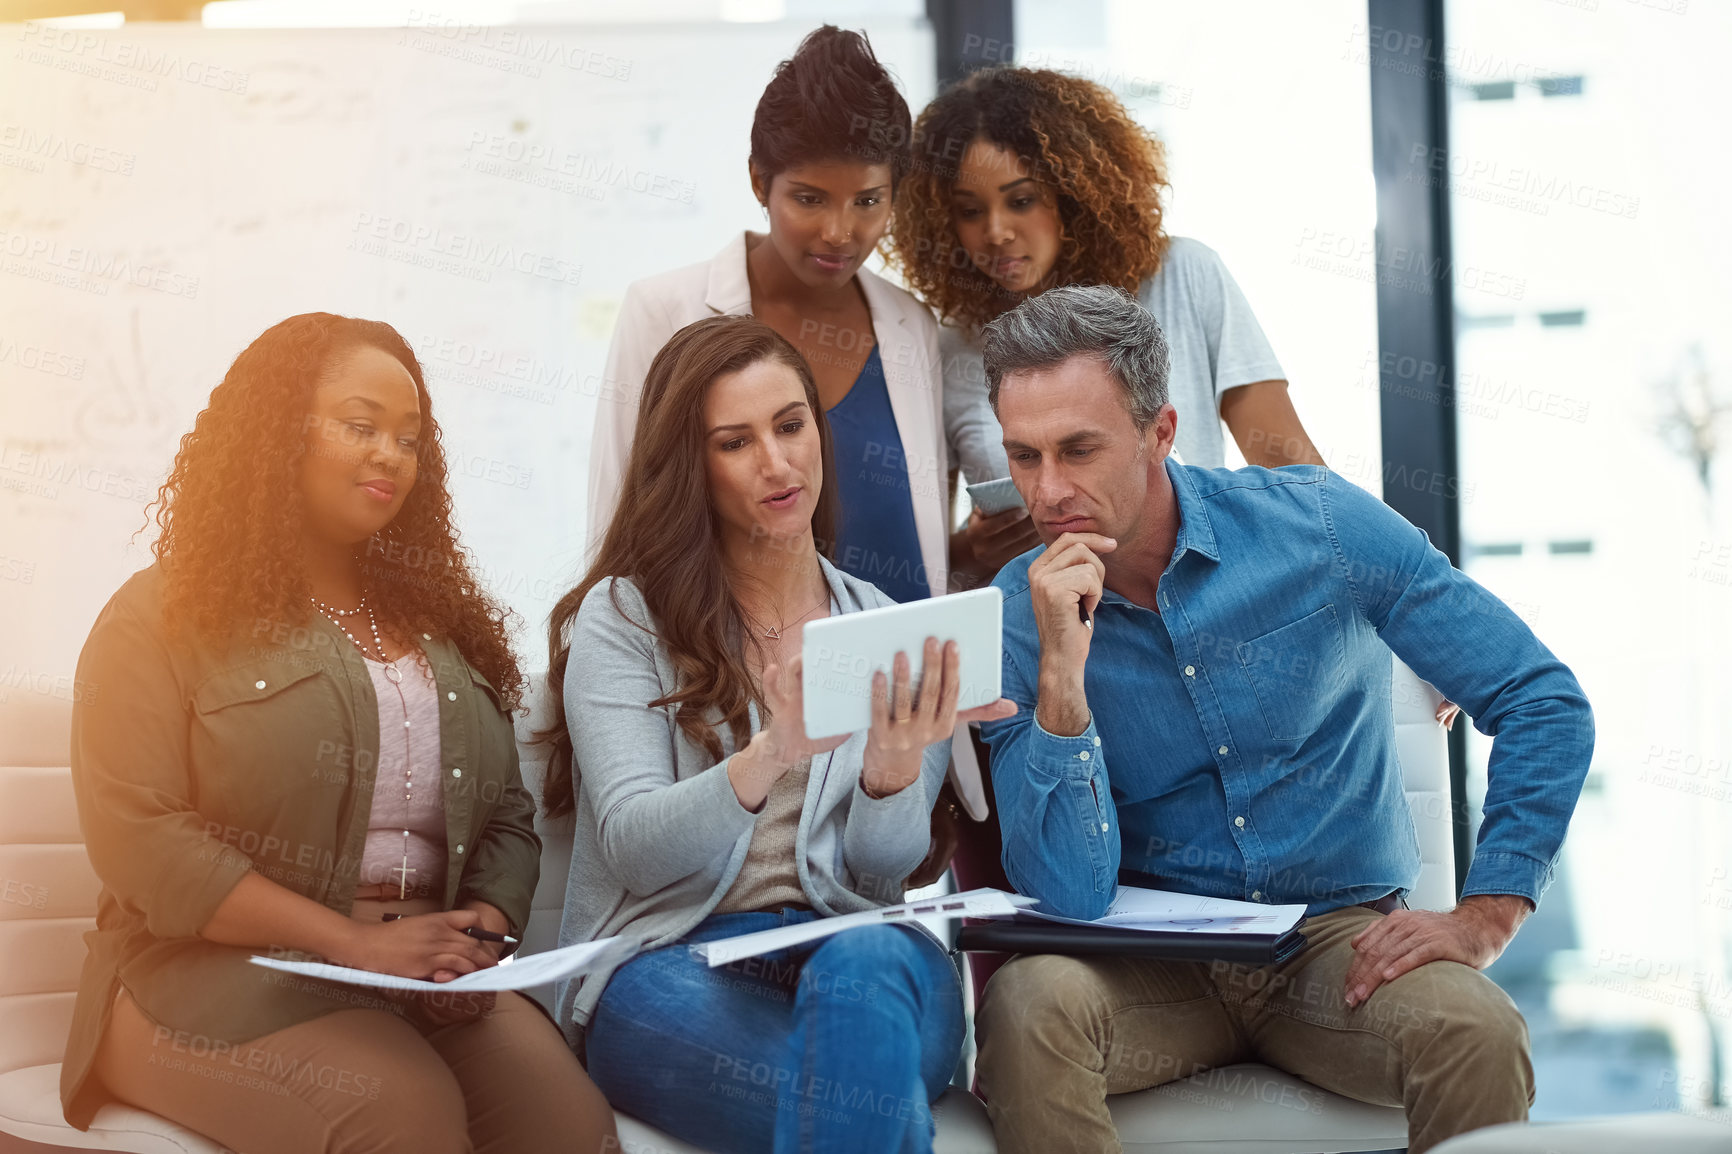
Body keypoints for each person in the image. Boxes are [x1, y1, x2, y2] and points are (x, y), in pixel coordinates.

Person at [969, 285, 1594, 1154]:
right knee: (1030, 1002)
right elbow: (1069, 893)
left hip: (1335, 949)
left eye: (1079, 449)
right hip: (1151, 970)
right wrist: (1061, 680)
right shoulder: (1012, 612)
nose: (1050, 490)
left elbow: (1541, 698)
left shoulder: (1322, 528)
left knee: (1474, 1027)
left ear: (1160, 432)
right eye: (1024, 457)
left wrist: (1486, 913)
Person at [63, 314, 616, 1154]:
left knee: (568, 1127)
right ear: (278, 432)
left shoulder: (444, 626)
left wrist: (480, 930)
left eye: (409, 438)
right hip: (214, 978)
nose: (391, 455)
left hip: (424, 977)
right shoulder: (161, 615)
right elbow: (142, 841)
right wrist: (353, 943)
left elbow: (506, 812)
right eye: (361, 427)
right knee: (401, 1116)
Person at [544, 315, 1013, 1153]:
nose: (776, 462)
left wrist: (892, 771)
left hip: (858, 952)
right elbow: (635, 849)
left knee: (865, 965)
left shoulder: (886, 624)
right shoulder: (624, 620)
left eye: (791, 425)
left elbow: (882, 870)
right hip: (670, 961)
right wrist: (773, 753)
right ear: (691, 464)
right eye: (735, 442)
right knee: (856, 1100)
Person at [589, 23, 994, 833]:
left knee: (887, 948)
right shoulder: (665, 311)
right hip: (728, 727)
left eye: (868, 201)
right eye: (809, 198)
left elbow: (912, 535)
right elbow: (620, 523)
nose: (840, 232)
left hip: (900, 729)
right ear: (758, 181)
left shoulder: (913, 328)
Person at [889, 67, 1327, 570]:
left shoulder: (1185, 275)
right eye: (969, 211)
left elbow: (1297, 480)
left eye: (1022, 200)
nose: (996, 232)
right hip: (1047, 630)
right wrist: (973, 549)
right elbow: (930, 559)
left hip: (1197, 609)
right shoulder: (947, 349)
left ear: (1074, 192)